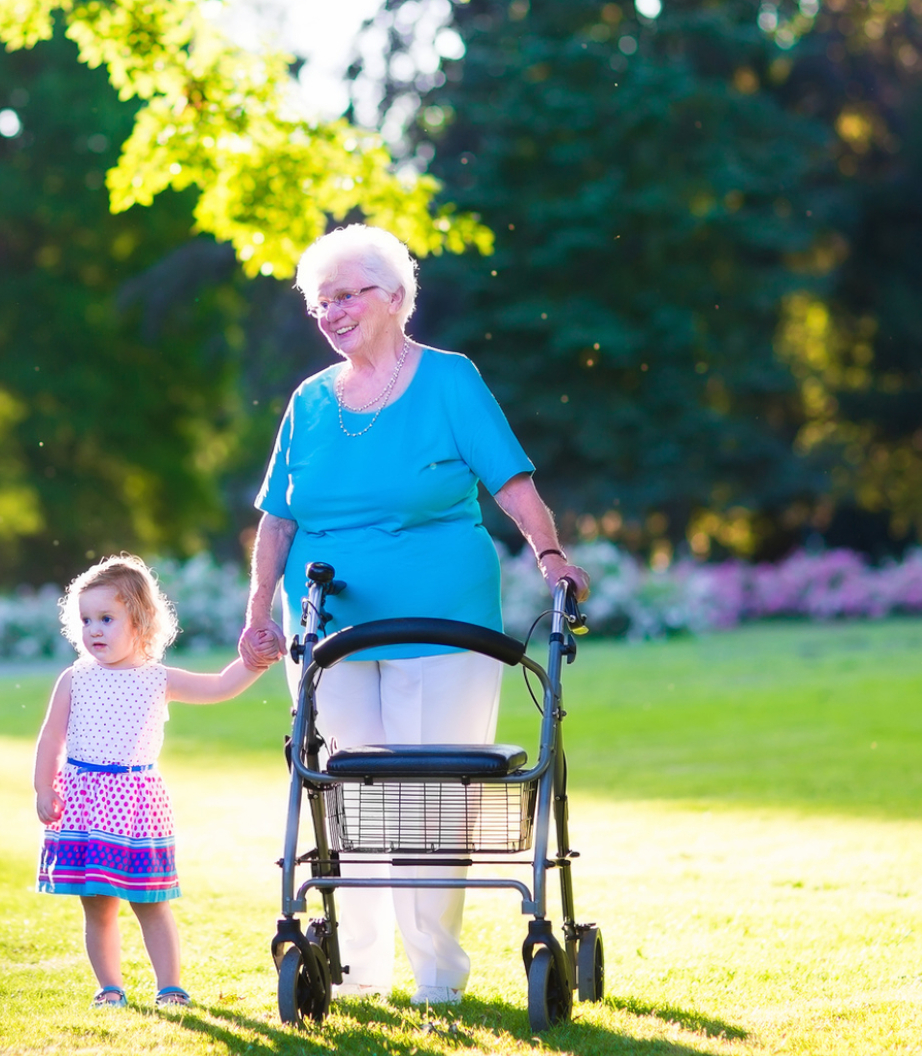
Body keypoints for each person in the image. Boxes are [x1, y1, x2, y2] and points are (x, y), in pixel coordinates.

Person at [239, 224, 592, 1006]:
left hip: (443, 623)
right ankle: (360, 970)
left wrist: (549, 555)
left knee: (431, 797)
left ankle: (438, 975)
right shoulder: (308, 402)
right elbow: (278, 519)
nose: (332, 312)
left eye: (348, 294)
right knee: (347, 794)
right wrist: (258, 609)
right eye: (319, 301)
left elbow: (510, 480)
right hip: (330, 630)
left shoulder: (449, 381)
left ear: (395, 298)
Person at [34, 554, 273, 1009]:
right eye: (86, 620)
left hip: (135, 803)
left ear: (141, 622)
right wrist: (44, 788)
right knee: (97, 904)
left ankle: (170, 987)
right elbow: (50, 738)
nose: (95, 630)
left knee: (150, 901)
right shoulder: (75, 679)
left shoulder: (156, 679)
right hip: (83, 803)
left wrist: (256, 662)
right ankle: (109, 987)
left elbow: (220, 686)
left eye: (107, 618)